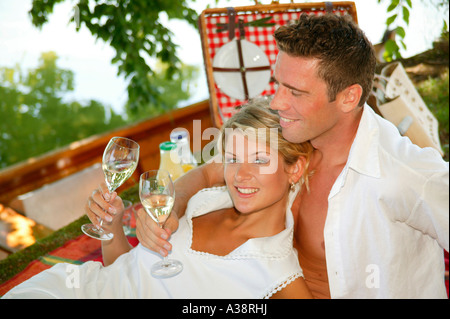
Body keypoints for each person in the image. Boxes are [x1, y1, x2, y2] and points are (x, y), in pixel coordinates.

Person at [135, 14, 449, 298]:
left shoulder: (405, 175)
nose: (276, 102)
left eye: (295, 92)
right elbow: (209, 172)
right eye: (278, 84)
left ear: (348, 97)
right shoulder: (295, 138)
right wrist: (173, 205)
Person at [3, 101, 313, 299]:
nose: (240, 175)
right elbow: (123, 272)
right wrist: (111, 227)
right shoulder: (205, 201)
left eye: (259, 160)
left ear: (294, 169)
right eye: (232, 159)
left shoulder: (278, 276)